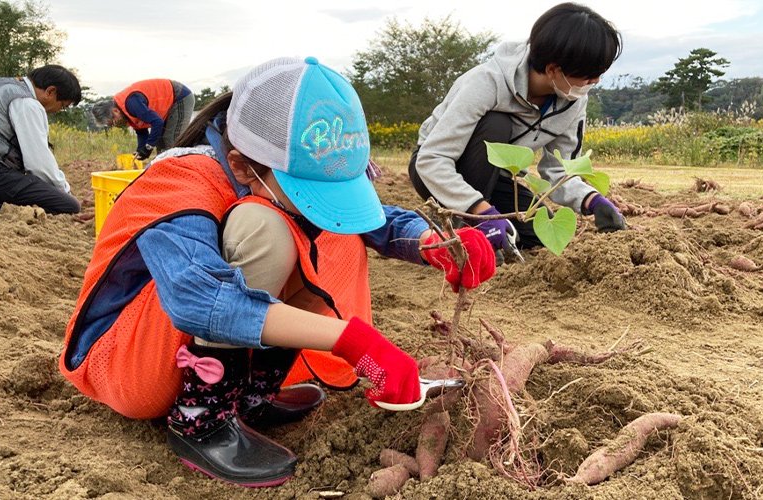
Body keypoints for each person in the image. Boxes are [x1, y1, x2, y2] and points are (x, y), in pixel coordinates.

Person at [60, 57, 495, 487]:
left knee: (332, 227)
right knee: (267, 226)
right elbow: (199, 298)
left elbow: (371, 219)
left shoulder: (262, 172)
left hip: (182, 349)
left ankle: (250, 399)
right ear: (242, 165)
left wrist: (434, 245)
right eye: (307, 189)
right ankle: (201, 421)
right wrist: (353, 342)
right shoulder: (179, 180)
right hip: (125, 364)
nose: (315, 200)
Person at [408, 2, 627, 253]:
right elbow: (432, 159)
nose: (595, 81)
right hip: (435, 171)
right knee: (496, 125)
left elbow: (559, 170)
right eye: (589, 75)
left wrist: (592, 201)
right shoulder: (486, 83)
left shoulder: (572, 100)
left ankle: (482, 223)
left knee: (538, 232)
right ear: (553, 69)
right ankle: (461, 227)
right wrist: (481, 212)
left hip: (495, 178)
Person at [0, 65, 82, 215]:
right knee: (69, 205)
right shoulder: (27, 103)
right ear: (50, 91)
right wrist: (65, 192)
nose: (57, 111)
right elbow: (39, 164)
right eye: (62, 105)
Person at [91, 79, 195, 161]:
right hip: (168, 104)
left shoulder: (131, 103)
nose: (115, 125)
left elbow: (157, 123)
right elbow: (141, 131)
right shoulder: (125, 111)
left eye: (112, 122)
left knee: (171, 143)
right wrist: (141, 150)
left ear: (115, 111)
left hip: (180, 97)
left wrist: (148, 147)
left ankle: (182, 174)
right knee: (162, 146)